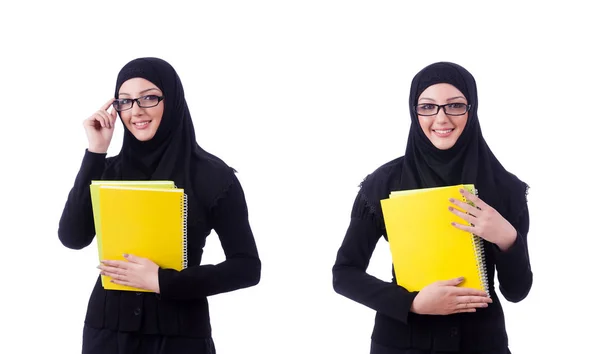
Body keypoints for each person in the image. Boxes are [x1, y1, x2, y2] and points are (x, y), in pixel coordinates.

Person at [58, 57, 261, 354]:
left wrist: (163, 281)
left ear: (172, 99)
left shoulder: (213, 176)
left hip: (180, 336)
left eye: (149, 97)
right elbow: (72, 238)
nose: (136, 111)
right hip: (107, 333)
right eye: (124, 101)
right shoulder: (108, 171)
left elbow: (247, 268)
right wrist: (95, 152)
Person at [332, 62, 532, 354]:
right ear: (414, 112)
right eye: (427, 107)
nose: (441, 118)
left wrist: (507, 238)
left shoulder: (506, 188)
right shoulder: (384, 183)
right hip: (402, 343)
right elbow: (344, 273)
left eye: (455, 106)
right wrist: (411, 302)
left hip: (481, 345)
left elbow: (517, 292)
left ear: (471, 109)